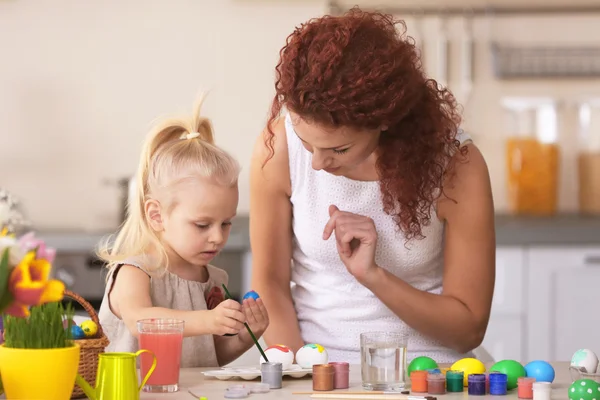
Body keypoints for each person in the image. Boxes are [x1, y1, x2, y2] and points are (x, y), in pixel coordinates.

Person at [249, 7, 495, 364]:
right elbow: (269, 284)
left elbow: (468, 329)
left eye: (339, 149)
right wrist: (303, 376)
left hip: (429, 373)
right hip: (315, 371)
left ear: (384, 120)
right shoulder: (277, 149)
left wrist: (373, 275)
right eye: (307, 143)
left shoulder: (457, 166)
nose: (317, 163)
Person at [97, 95, 269, 367]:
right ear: (157, 216)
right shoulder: (136, 271)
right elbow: (138, 320)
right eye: (202, 225)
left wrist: (248, 336)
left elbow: (208, 357)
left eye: (226, 223)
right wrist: (208, 320)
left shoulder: (212, 278)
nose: (217, 237)